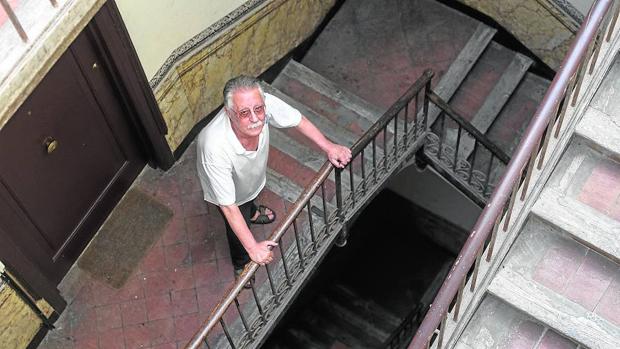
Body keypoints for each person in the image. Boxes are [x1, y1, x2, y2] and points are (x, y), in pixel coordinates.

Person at [196, 75, 352, 281]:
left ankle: (252, 212)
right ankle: (241, 263)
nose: (255, 118)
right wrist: (253, 248)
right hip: (228, 190)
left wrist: (329, 147)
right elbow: (228, 206)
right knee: (237, 222)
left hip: (251, 176)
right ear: (229, 113)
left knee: (251, 193)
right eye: (244, 113)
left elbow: (298, 120)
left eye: (258, 109)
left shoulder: (263, 104)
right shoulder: (214, 147)